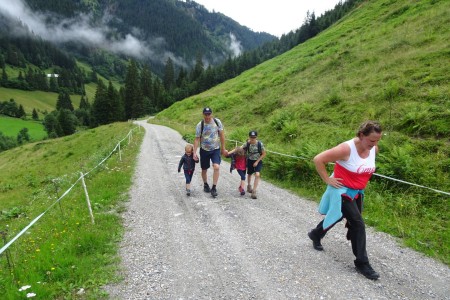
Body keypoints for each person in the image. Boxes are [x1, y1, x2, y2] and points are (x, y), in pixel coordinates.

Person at [307, 120, 382, 280]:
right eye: (371, 140)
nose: (374, 144)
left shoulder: (374, 149)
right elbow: (318, 159)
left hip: (356, 192)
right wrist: (328, 179)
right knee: (358, 223)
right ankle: (362, 263)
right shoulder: (346, 149)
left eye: (377, 140)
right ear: (361, 135)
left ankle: (315, 234)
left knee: (339, 215)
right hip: (341, 191)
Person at [193, 107, 227, 197]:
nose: (207, 116)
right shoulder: (200, 125)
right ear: (203, 114)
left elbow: (222, 136)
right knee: (204, 169)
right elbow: (197, 139)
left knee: (216, 167)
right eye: (205, 114)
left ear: (211, 114)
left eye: (209, 114)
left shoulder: (217, 122)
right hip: (204, 150)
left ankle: (214, 187)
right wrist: (194, 152)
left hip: (215, 149)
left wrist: (223, 148)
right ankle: (205, 184)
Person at [243, 131, 266, 199]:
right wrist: (228, 153)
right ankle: (249, 186)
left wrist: (257, 162)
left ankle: (254, 191)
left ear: (256, 137)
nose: (253, 138)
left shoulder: (260, 144)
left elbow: (264, 154)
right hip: (250, 160)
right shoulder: (247, 143)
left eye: (254, 137)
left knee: (257, 174)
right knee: (249, 174)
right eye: (251, 137)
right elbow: (239, 148)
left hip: (258, 161)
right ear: (249, 137)